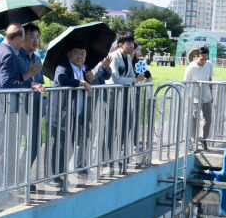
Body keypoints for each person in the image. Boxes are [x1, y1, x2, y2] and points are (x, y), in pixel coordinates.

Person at [0, 23, 44, 190]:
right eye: (24, 38)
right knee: (1, 149)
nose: (24, 41)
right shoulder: (9, 54)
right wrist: (30, 84)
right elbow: (7, 83)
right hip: (4, 106)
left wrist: (29, 75)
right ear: (17, 38)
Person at [49, 43, 110, 183]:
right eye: (76, 53)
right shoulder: (63, 66)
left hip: (78, 113)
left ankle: (63, 173)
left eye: (83, 53)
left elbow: (98, 80)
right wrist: (82, 83)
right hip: (62, 113)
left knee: (70, 145)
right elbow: (62, 80)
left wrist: (89, 78)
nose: (80, 56)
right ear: (69, 53)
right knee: (60, 145)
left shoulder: (85, 68)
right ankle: (54, 176)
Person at [107, 32, 146, 169]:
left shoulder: (128, 59)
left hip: (122, 96)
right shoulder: (114, 57)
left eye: (132, 43)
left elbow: (129, 75)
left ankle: (116, 157)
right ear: (120, 45)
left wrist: (135, 79)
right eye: (128, 43)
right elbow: (116, 78)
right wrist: (133, 80)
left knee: (121, 126)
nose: (131, 46)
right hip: (111, 95)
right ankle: (107, 158)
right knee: (110, 128)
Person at [17, 23, 46, 190]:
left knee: (35, 143)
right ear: (22, 39)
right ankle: (17, 180)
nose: (35, 40)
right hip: (20, 107)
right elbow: (17, 81)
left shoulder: (37, 58)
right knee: (17, 143)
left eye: (37, 37)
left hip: (35, 105)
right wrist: (30, 76)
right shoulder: (16, 57)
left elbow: (40, 82)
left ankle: (23, 177)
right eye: (31, 37)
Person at [184, 46, 214, 150]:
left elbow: (210, 78)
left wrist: (211, 93)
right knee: (194, 120)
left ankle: (203, 138)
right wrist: (187, 99)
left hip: (206, 96)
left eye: (206, 58)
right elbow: (186, 83)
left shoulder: (209, 64)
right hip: (195, 98)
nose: (204, 61)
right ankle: (192, 140)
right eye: (202, 59)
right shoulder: (190, 68)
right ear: (197, 57)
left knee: (208, 119)